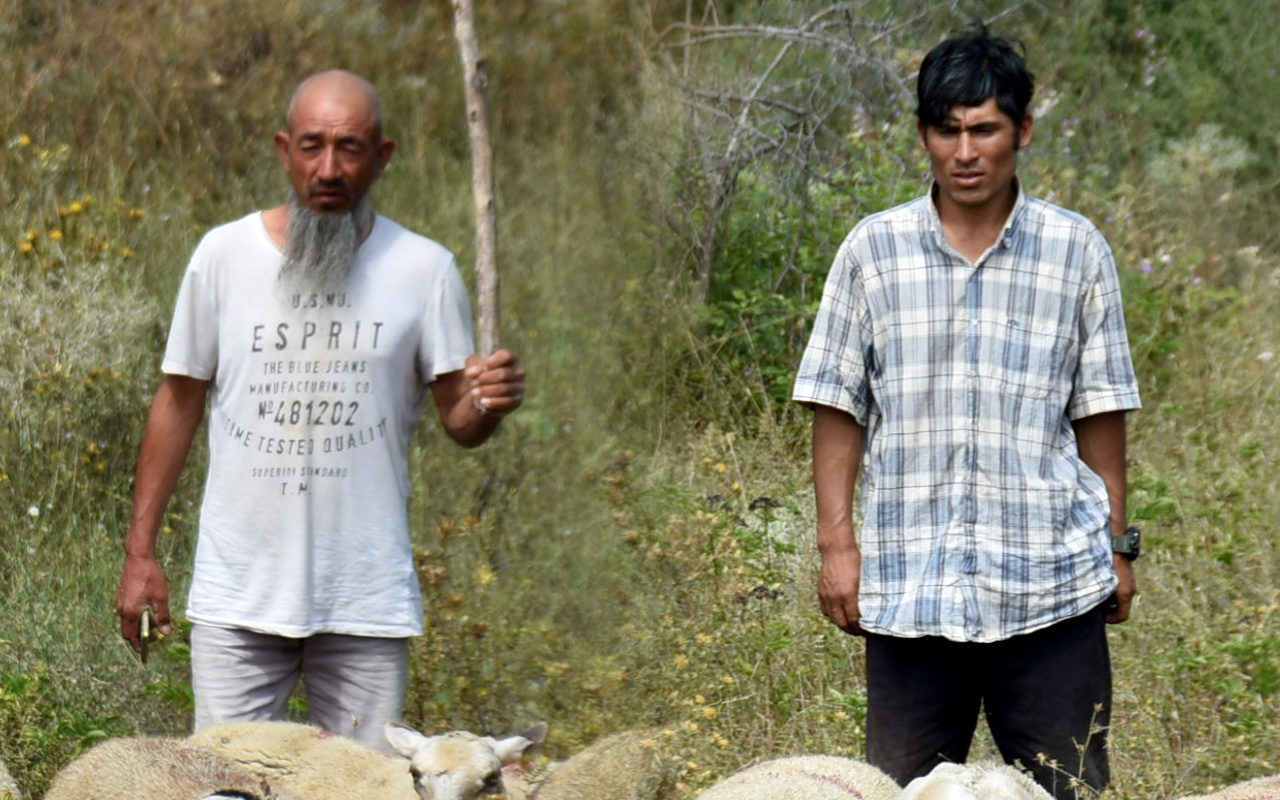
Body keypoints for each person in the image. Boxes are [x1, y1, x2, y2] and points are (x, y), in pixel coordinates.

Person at [115, 69, 525, 752]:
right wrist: (140, 554)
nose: (328, 169)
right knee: (227, 787)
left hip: (363, 600)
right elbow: (178, 403)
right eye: (312, 146)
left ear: (383, 157)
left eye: (350, 149)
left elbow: (460, 418)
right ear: (284, 151)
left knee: (364, 794)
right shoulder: (223, 257)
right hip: (240, 597)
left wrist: (490, 403)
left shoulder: (424, 269)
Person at [792, 29, 1141, 799]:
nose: (966, 151)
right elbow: (836, 404)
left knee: (1066, 788)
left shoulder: (1075, 252)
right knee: (898, 792)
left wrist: (1118, 544)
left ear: (1022, 129)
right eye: (947, 130)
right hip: (911, 591)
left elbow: (1102, 409)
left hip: (1050, 587)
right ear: (923, 135)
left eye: (984, 128)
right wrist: (836, 546)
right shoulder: (872, 252)